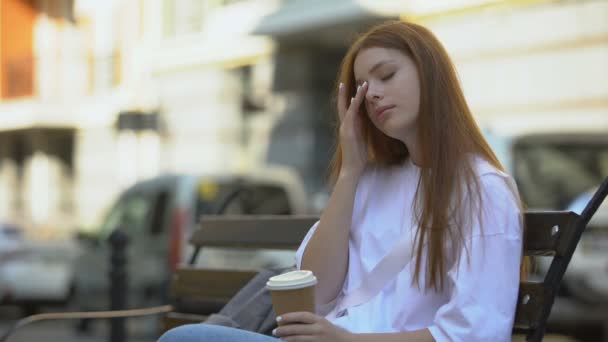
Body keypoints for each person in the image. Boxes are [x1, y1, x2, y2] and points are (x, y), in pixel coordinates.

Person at [158, 20, 524, 342]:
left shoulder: (482, 190)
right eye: (363, 88)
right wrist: (350, 172)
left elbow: (474, 334)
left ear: (430, 73)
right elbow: (316, 292)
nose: (374, 93)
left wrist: (347, 340)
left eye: (387, 75)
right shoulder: (371, 182)